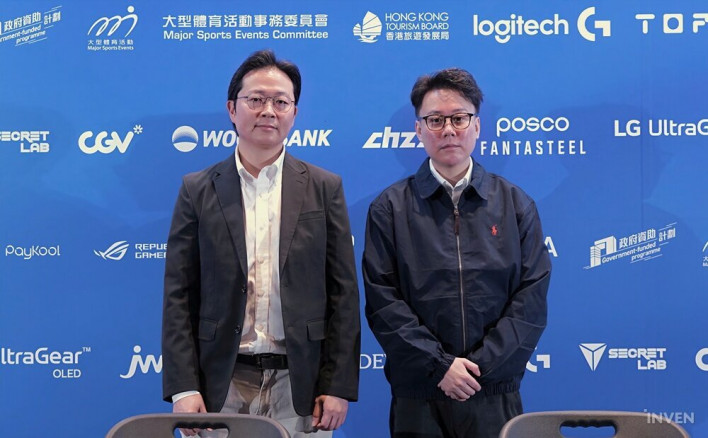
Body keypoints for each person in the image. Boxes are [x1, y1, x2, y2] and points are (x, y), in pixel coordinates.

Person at [162, 49, 360, 438]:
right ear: (232, 109)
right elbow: (178, 296)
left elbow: (343, 294)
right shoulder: (197, 189)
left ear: (294, 114)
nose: (268, 111)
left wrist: (337, 385)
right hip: (221, 383)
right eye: (256, 99)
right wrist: (184, 388)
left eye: (280, 102)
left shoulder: (324, 187)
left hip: (301, 385)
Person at [362, 68, 551, 438]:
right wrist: (439, 366)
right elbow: (382, 301)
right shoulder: (390, 208)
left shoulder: (515, 204)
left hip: (493, 392)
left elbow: (531, 300)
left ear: (476, 126)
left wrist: (479, 370)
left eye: (459, 118)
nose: (448, 130)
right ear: (419, 130)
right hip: (419, 395)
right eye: (435, 120)